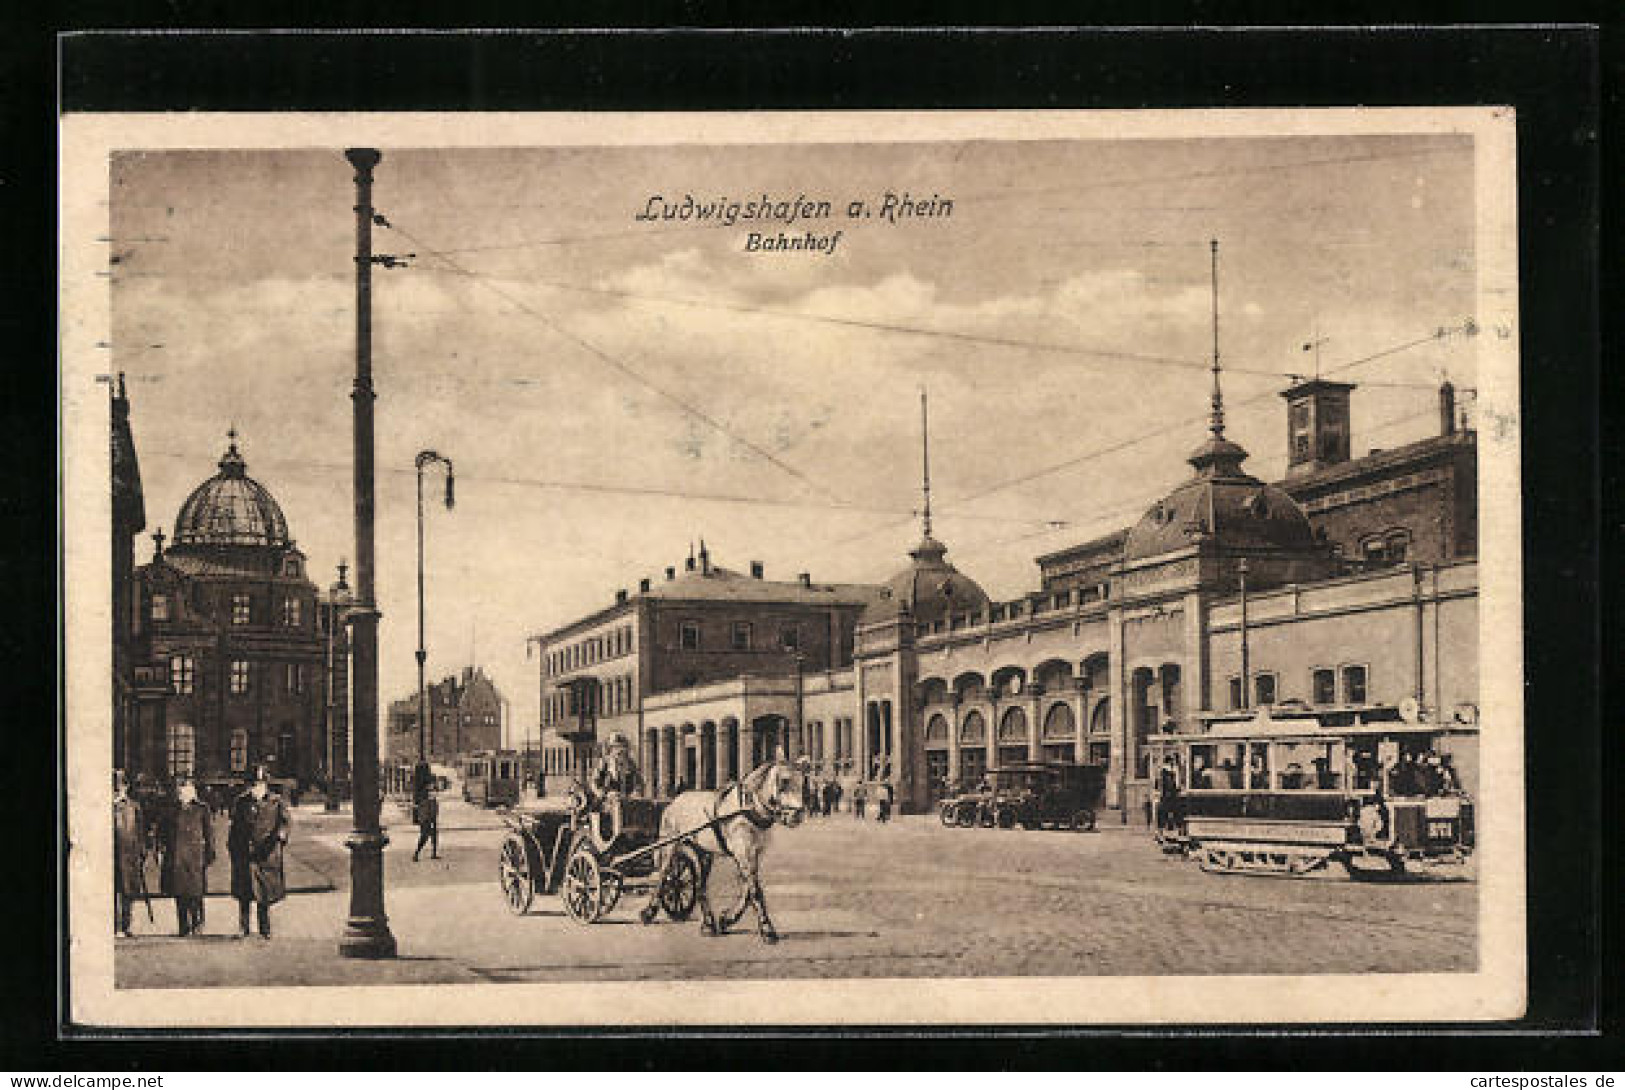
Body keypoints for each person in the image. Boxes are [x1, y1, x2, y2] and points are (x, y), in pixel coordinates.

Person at [228, 766, 290, 939]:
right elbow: (234, 828)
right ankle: (244, 927)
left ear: (266, 785)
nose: (256, 787)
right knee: (244, 893)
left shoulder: (276, 802)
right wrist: (233, 848)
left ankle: (265, 929)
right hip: (245, 854)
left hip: (266, 854)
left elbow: (284, 823)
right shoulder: (241, 802)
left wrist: (279, 839)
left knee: (264, 895)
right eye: (253, 784)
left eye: (260, 784)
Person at [160, 776, 214, 936]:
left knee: (196, 893)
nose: (183, 792)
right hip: (176, 857)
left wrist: (209, 853)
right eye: (181, 789)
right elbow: (162, 833)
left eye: (187, 789)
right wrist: (160, 850)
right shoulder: (171, 810)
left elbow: (209, 833)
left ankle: (197, 923)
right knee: (179, 892)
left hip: (195, 857)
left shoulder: (202, 808)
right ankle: (183, 925)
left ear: (193, 791)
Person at [590, 732, 643, 846]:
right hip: (606, 803)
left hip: (627, 801)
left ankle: (634, 835)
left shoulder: (630, 764)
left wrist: (636, 791)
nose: (620, 750)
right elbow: (594, 782)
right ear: (611, 749)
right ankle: (614, 835)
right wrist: (604, 793)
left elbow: (639, 782)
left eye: (622, 747)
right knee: (616, 805)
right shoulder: (604, 763)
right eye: (616, 747)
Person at [112, 771, 147, 938]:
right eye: (115, 786)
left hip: (130, 856)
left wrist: (141, 852)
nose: (118, 789)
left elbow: (140, 833)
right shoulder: (107, 807)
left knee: (128, 891)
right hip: (111, 856)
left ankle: (126, 926)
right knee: (111, 891)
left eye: (121, 785)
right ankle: (113, 926)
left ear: (126, 787)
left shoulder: (134, 807)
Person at [412, 781, 440, 862]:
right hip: (426, 821)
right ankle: (416, 854)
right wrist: (425, 820)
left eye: (434, 791)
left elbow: (435, 812)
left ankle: (434, 853)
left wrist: (434, 821)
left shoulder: (433, 801)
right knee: (424, 837)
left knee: (434, 836)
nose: (434, 792)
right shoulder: (425, 801)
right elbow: (422, 812)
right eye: (431, 791)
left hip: (431, 820)